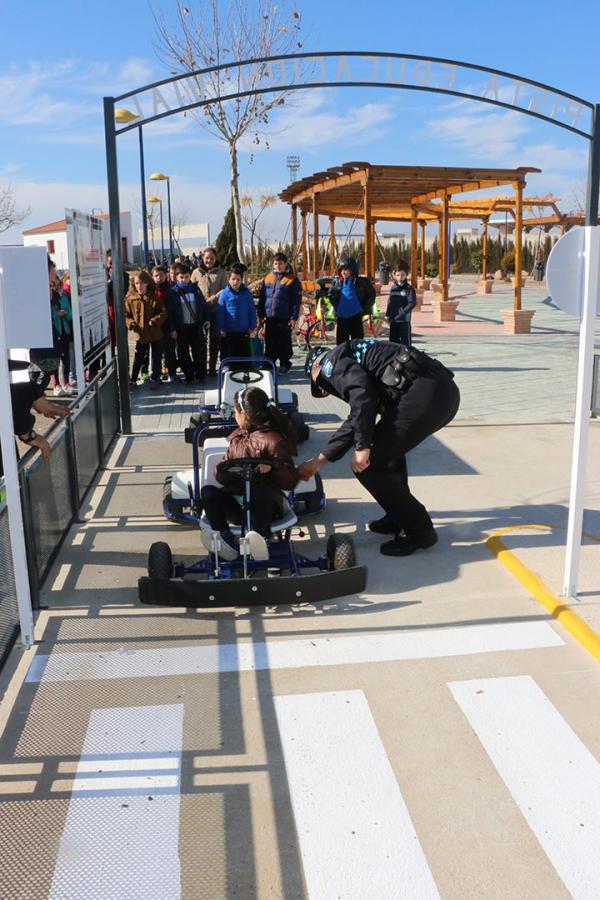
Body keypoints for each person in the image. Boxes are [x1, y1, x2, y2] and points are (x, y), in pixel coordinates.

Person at [298, 338, 460, 556]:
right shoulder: (352, 357)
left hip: (426, 394)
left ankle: (419, 530)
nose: (324, 390)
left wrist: (362, 446)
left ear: (315, 368)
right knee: (387, 453)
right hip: (439, 392)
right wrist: (321, 459)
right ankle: (397, 517)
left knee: (368, 465)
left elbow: (361, 396)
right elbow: (358, 415)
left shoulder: (330, 362)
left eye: (318, 384)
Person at [200, 386, 298, 560]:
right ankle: (225, 540)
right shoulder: (237, 438)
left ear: (244, 414)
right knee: (208, 492)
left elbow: (290, 480)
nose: (234, 415)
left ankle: (260, 541)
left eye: (235, 411)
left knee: (259, 492)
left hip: (267, 507)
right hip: (238, 505)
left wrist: (272, 468)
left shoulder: (274, 440)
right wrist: (230, 471)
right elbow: (220, 474)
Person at [257, 252, 301, 373]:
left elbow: (296, 301)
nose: (278, 266)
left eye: (281, 264)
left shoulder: (292, 279)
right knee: (270, 340)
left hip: (284, 317)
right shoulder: (268, 278)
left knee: (284, 341)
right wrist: (261, 313)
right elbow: (263, 297)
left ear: (286, 264)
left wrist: (293, 317)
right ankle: (269, 363)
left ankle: (285, 363)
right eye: (276, 263)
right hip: (270, 317)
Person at [124, 270, 167, 389]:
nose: (139, 286)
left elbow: (163, 312)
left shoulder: (154, 297)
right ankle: (133, 379)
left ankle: (155, 377)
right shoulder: (130, 299)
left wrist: (155, 320)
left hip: (155, 332)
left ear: (147, 283)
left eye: (142, 283)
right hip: (140, 333)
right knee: (139, 357)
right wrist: (131, 323)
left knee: (156, 356)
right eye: (137, 283)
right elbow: (126, 315)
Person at [191, 247, 228, 376]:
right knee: (201, 341)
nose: (209, 260)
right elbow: (192, 289)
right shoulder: (196, 272)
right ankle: (201, 368)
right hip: (201, 312)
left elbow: (225, 289)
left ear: (216, 259)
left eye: (212, 258)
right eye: (207, 258)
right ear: (202, 258)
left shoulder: (222, 273)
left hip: (216, 310)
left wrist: (213, 298)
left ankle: (212, 369)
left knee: (215, 341)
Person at [169, 263, 208, 383]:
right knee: (183, 353)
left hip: (195, 326)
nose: (184, 279)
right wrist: (172, 329)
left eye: (186, 276)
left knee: (198, 352)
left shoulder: (195, 289)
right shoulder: (173, 293)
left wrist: (206, 319)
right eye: (181, 277)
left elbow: (203, 306)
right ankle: (189, 375)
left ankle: (200, 375)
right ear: (176, 277)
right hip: (182, 327)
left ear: (190, 276)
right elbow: (170, 313)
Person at [327, 256, 376, 344]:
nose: (343, 272)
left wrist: (364, 308)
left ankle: (357, 358)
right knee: (342, 345)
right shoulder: (337, 282)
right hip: (342, 317)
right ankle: (343, 358)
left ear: (352, 270)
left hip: (356, 316)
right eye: (341, 270)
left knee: (358, 344)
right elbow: (331, 295)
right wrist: (337, 307)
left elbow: (371, 294)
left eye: (346, 270)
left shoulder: (361, 282)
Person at [216, 263, 257, 359]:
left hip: (244, 330)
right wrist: (221, 328)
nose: (235, 282)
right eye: (233, 279)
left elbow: (251, 310)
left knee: (243, 354)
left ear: (241, 280)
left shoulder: (246, 293)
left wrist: (252, 326)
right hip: (229, 331)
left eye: (238, 279)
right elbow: (221, 312)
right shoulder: (224, 294)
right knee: (229, 353)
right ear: (229, 279)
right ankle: (228, 369)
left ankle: (244, 370)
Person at [151, 266, 180, 382]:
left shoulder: (171, 291)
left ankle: (172, 373)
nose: (159, 278)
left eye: (161, 275)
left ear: (166, 275)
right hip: (155, 327)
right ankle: (156, 375)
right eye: (156, 276)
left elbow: (173, 311)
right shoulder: (151, 292)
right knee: (156, 353)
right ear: (152, 277)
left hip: (168, 326)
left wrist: (173, 328)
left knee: (170, 351)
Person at [386, 263, 416, 346]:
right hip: (393, 319)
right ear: (394, 275)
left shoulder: (409, 289)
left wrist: (402, 312)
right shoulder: (393, 288)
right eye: (398, 275)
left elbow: (412, 303)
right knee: (393, 342)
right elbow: (390, 301)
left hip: (404, 320)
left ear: (406, 275)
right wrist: (388, 313)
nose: (400, 277)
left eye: (402, 275)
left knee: (405, 343)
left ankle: (407, 357)